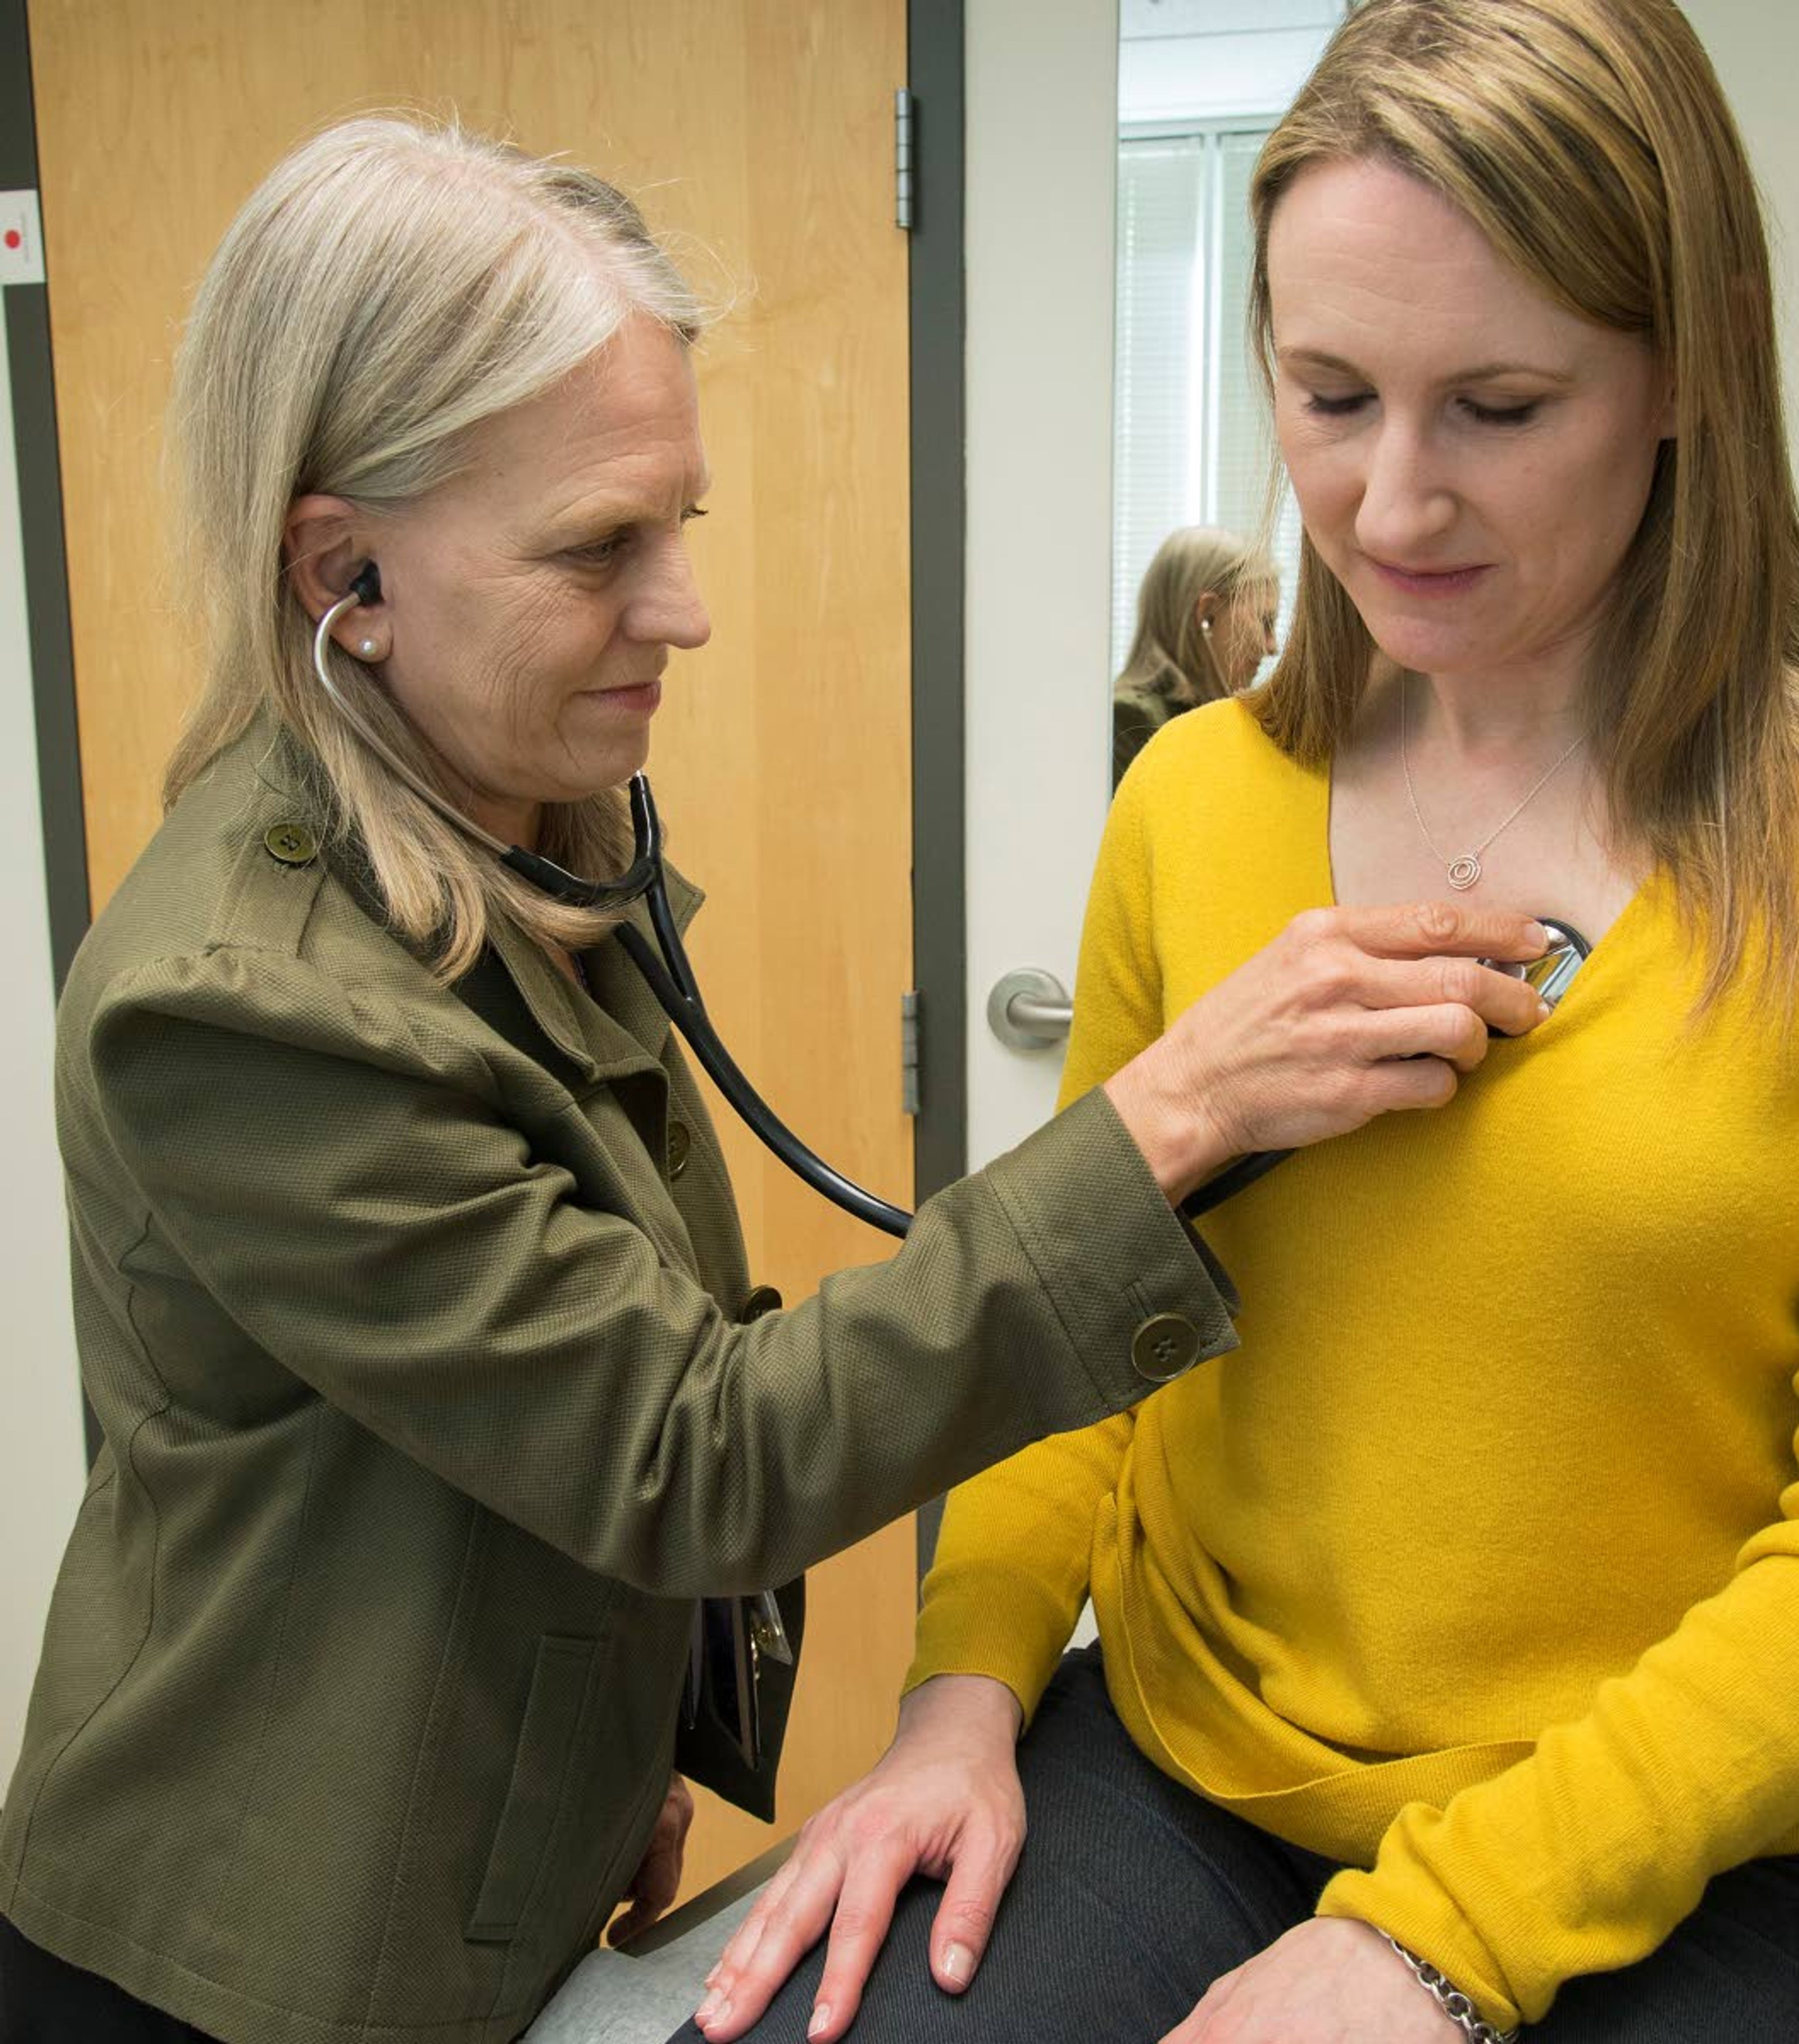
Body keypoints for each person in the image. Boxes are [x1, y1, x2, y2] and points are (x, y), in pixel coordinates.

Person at [0, 116, 1553, 2044]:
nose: (684, 611)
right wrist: (1176, 1110)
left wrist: (601, 1747)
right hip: (259, 1956)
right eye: (597, 549)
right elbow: (688, 1447)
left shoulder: (510, 819)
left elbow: (543, 1378)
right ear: (348, 570)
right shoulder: (240, 1011)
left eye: (680, 526)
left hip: (488, 1851)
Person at [696, 2, 1799, 2039]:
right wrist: (958, 1694)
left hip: (1717, 1839)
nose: (1391, 505)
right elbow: (1075, 1343)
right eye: (1329, 393)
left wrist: (1432, 1936)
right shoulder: (1197, 797)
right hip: (1195, 1770)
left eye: (1501, 407)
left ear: (1694, 360)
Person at [1112, 528, 1280, 786]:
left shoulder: (1227, 722)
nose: (1272, 646)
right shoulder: (1130, 721)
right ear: (1208, 614)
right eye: (1265, 622)